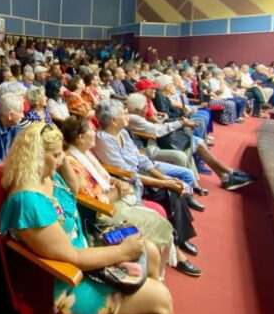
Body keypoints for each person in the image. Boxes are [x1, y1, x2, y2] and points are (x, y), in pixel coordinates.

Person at [0, 122, 173, 314]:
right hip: (65, 281)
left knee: (150, 251)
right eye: (56, 155)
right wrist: (123, 252)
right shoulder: (28, 201)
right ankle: (144, 307)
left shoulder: (46, 176)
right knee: (161, 301)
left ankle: (137, 306)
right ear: (35, 157)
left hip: (84, 251)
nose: (61, 159)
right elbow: (72, 257)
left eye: (61, 153)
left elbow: (72, 190)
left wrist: (61, 157)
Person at [62, 116, 201, 277]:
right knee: (160, 221)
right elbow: (96, 200)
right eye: (91, 130)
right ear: (81, 138)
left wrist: (116, 182)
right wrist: (119, 190)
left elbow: (104, 176)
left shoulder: (86, 153)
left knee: (165, 203)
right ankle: (158, 268)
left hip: (117, 194)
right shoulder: (72, 162)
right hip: (104, 212)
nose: (94, 131)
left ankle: (168, 255)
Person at [93, 100, 200, 258]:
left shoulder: (123, 132)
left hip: (141, 173)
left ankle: (179, 239)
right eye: (124, 114)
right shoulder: (103, 139)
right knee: (171, 192)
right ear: (113, 120)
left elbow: (140, 158)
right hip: (128, 182)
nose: (128, 116)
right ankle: (178, 245)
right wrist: (164, 183)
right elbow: (127, 173)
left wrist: (164, 178)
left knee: (175, 186)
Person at [126, 93, 254, 192]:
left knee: (196, 141)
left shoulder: (138, 115)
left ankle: (224, 175)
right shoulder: (135, 118)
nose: (146, 110)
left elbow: (158, 124)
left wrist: (171, 119)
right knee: (192, 146)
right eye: (145, 107)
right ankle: (224, 175)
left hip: (156, 142)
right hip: (151, 147)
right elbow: (157, 130)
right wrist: (181, 122)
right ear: (137, 108)